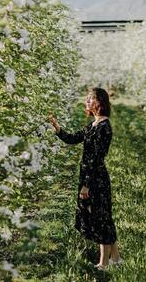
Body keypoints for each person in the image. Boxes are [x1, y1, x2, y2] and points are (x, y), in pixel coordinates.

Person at [48, 88, 121, 270]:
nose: (87, 102)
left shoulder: (104, 127)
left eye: (90, 99)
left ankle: (103, 264)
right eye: (87, 99)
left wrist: (87, 185)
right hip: (89, 176)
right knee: (102, 216)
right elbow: (73, 139)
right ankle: (117, 260)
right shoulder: (94, 125)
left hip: (96, 178)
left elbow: (96, 159)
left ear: (100, 103)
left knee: (100, 218)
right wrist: (57, 128)